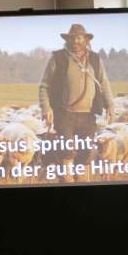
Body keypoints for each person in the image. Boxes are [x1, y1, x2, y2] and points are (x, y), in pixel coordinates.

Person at [39, 23, 115, 168]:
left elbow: (104, 83)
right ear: (67, 39)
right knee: (66, 150)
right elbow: (44, 86)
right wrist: (46, 108)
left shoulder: (95, 58)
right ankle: (66, 179)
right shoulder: (58, 57)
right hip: (64, 114)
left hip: (88, 114)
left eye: (79, 38)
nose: (76, 41)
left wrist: (110, 105)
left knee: (85, 151)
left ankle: (79, 178)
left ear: (86, 39)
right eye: (72, 38)